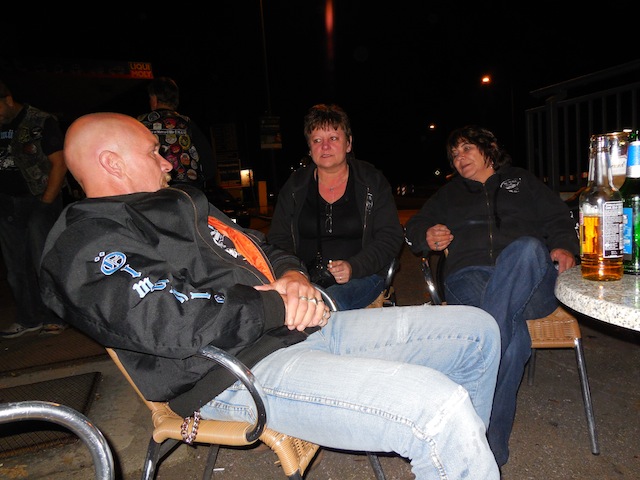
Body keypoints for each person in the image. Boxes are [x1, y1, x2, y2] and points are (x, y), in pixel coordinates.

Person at [39, 112, 501, 479]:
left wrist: (293, 277)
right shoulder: (87, 242)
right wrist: (275, 304)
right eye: (154, 152)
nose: (168, 163)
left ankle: (464, 457)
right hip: (235, 372)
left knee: (476, 330)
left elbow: (266, 246)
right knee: (436, 407)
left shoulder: (182, 202)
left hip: (302, 327)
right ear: (112, 162)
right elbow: (167, 317)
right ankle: (454, 447)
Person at [404, 125, 579, 467]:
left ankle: (471, 387)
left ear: (490, 149)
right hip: (470, 278)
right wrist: (427, 235)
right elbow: (413, 229)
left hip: (531, 282)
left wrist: (563, 246)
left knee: (528, 248)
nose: (460, 158)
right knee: (512, 344)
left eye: (467, 149)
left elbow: (560, 218)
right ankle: (489, 450)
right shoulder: (449, 194)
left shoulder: (522, 181)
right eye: (454, 155)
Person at [268, 104, 404, 310]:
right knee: (274, 306)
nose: (325, 146)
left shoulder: (371, 181)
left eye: (333, 138)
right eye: (317, 140)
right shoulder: (295, 186)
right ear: (310, 148)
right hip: (306, 278)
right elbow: (278, 239)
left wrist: (354, 266)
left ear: (348, 144)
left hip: (363, 276)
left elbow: (390, 237)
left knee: (325, 305)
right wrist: (294, 271)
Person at [0, 80, 67, 338]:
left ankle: (54, 316)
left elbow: (59, 162)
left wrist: (46, 202)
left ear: (7, 100)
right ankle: (28, 318)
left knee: (43, 261)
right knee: (16, 266)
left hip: (39, 199)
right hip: (7, 203)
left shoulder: (40, 120)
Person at [137, 76, 216, 190]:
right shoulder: (187, 122)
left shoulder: (140, 123)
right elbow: (207, 161)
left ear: (154, 98)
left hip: (154, 186)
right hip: (187, 187)